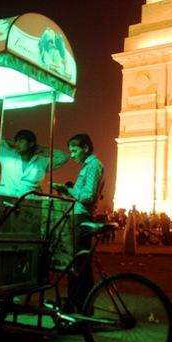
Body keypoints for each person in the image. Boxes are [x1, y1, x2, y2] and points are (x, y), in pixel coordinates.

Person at [51, 133, 104, 312]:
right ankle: (81, 306)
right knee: (79, 264)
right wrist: (66, 192)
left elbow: (88, 196)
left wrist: (68, 189)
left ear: (86, 148)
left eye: (74, 150)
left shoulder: (94, 165)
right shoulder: (87, 166)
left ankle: (81, 308)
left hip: (82, 217)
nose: (72, 155)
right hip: (79, 215)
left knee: (79, 266)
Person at [0, 129, 69, 197]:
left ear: (31, 144)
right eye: (16, 141)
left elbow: (64, 157)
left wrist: (42, 149)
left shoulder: (42, 161)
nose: (17, 144)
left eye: (21, 141)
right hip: (6, 198)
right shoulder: (8, 154)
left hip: (29, 202)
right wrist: (10, 142)